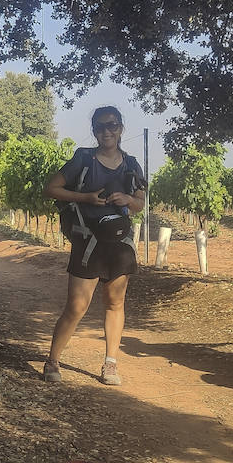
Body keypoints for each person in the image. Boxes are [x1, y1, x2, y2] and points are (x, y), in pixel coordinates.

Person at [40, 106, 147, 386]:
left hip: (120, 241)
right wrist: (86, 198)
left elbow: (140, 203)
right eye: (100, 127)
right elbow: (51, 188)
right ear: (94, 131)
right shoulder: (83, 159)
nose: (106, 131)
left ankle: (110, 364)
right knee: (76, 306)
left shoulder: (132, 164)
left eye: (111, 125)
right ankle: (52, 361)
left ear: (121, 128)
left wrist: (128, 200)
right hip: (88, 240)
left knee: (115, 303)